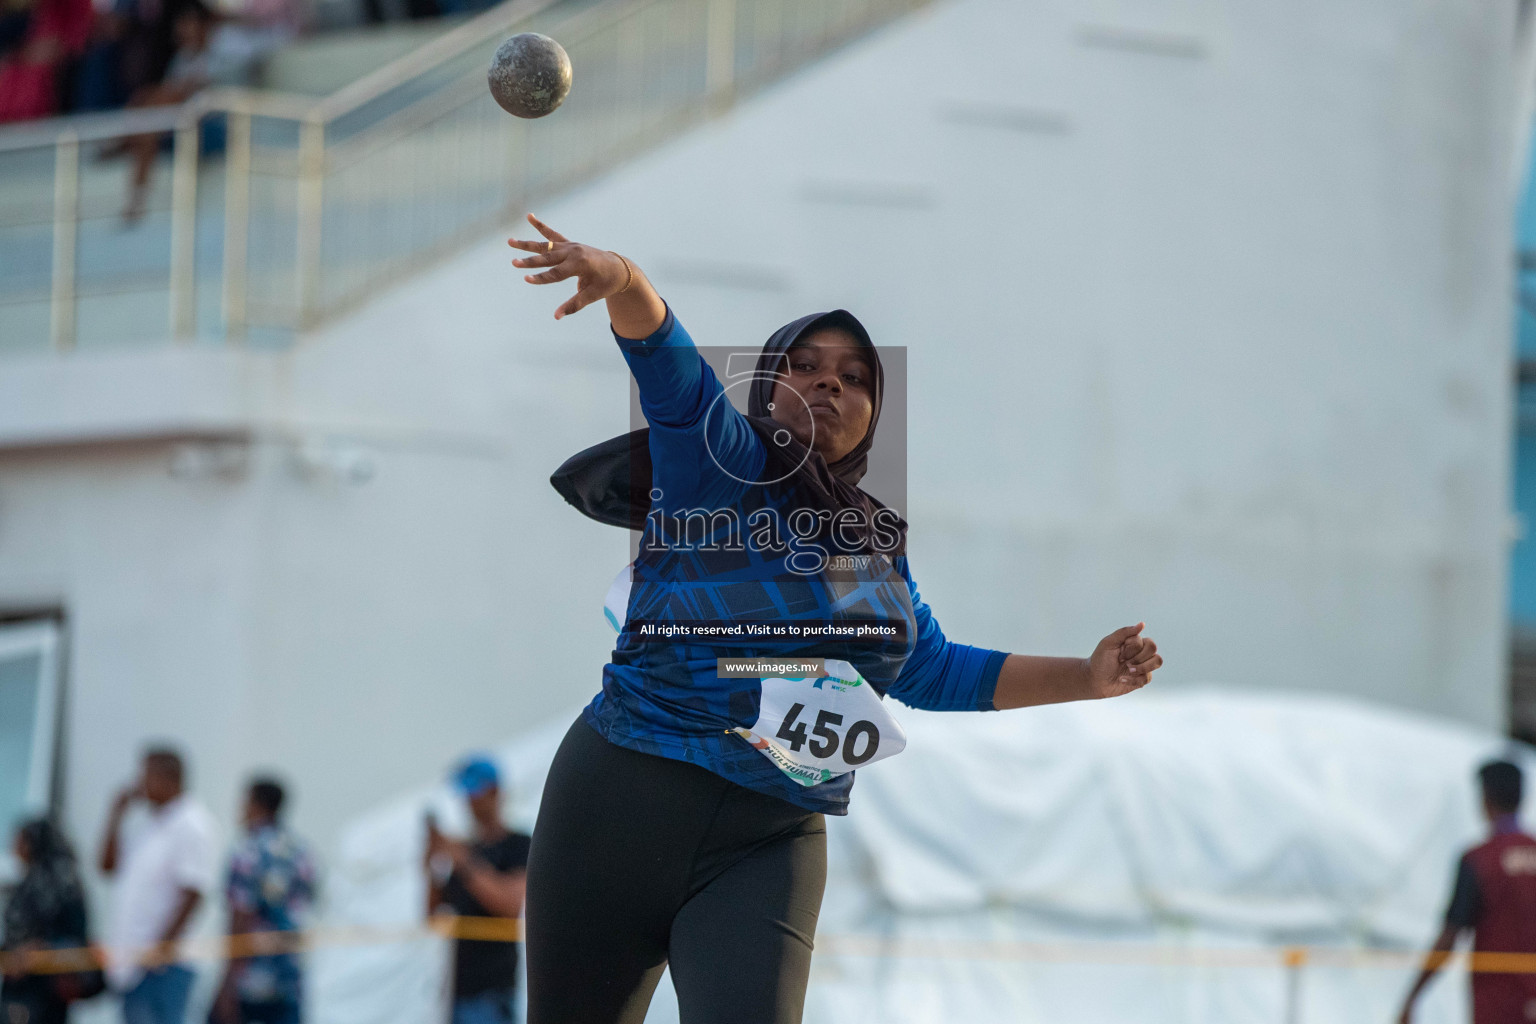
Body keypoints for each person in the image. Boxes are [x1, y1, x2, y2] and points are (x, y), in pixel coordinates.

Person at [508, 213, 1164, 1024]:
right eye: (806, 367)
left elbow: (931, 669)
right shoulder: (717, 463)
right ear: (766, 386)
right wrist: (627, 284)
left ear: (872, 413)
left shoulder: (875, 546)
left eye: (856, 377)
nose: (831, 385)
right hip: (623, 799)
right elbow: (670, 371)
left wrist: (1089, 679)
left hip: (769, 837)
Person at [1399, 760, 1536, 1024]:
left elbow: (1451, 934)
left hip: (1497, 1005)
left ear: (1485, 797)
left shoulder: (1480, 859)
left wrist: (1413, 997)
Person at [99, 746, 216, 1024]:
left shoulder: (192, 823)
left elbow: (194, 892)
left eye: (145, 775)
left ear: (168, 777)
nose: (139, 784)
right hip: (133, 962)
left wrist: (161, 951)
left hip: (164, 964)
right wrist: (116, 816)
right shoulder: (149, 824)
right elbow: (107, 866)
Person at [424, 756, 531, 1024]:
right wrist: (430, 864)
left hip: (493, 992)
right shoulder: (467, 851)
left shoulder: (518, 844)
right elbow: (432, 914)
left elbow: (510, 906)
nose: (469, 802)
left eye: (474, 793)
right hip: (458, 993)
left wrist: (463, 861)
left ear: (494, 792)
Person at [211, 778, 317, 1024]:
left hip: (252, 978)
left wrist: (227, 985)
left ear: (257, 805)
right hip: (290, 974)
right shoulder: (302, 852)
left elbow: (240, 916)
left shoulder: (247, 852)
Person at [1, 819, 93, 1024]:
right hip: (18, 983)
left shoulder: (61, 879)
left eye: (20, 840)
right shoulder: (28, 879)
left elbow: (74, 931)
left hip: (47, 984)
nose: (14, 847)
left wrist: (38, 949)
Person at [0, 0, 92, 122]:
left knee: (31, 76)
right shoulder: (36, 15)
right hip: (29, 58)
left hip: (59, 67)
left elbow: (72, 43)